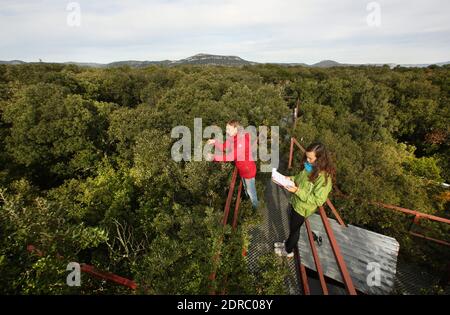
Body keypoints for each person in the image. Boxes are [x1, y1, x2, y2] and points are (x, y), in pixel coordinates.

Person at [274, 142, 335, 258]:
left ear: (320, 159)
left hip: (303, 208)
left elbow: (318, 200)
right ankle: (287, 244)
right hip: (296, 202)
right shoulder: (310, 166)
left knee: (294, 230)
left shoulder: (324, 178)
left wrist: (297, 191)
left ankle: (288, 251)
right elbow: (299, 178)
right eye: (307, 156)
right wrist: (289, 178)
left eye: (310, 158)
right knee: (292, 228)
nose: (307, 160)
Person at [207, 120, 259, 209]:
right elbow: (224, 146)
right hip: (242, 169)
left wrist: (214, 157)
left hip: (248, 171)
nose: (226, 131)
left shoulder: (242, 141)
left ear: (236, 128)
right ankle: (250, 205)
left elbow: (230, 157)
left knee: (251, 192)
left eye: (228, 129)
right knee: (246, 189)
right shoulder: (233, 136)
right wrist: (215, 142)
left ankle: (255, 209)